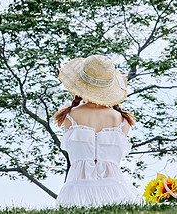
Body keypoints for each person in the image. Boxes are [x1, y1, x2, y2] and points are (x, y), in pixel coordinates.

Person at [54, 55, 144, 207]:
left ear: (81, 85)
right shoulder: (122, 120)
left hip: (76, 191)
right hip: (115, 191)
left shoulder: (69, 117)